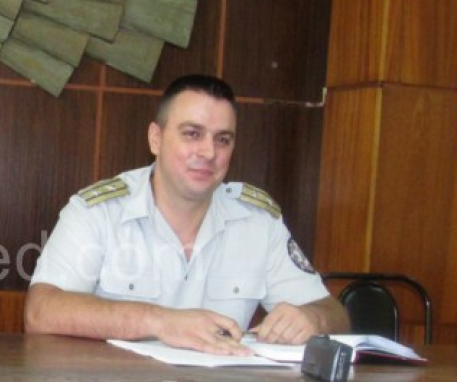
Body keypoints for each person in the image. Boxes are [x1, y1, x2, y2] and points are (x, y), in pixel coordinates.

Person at [25, 74, 348, 355]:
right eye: (192, 134)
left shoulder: (258, 222)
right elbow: (41, 312)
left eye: (223, 139)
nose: (208, 152)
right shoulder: (98, 212)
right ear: (156, 139)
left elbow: (335, 314)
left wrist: (313, 319)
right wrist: (160, 321)